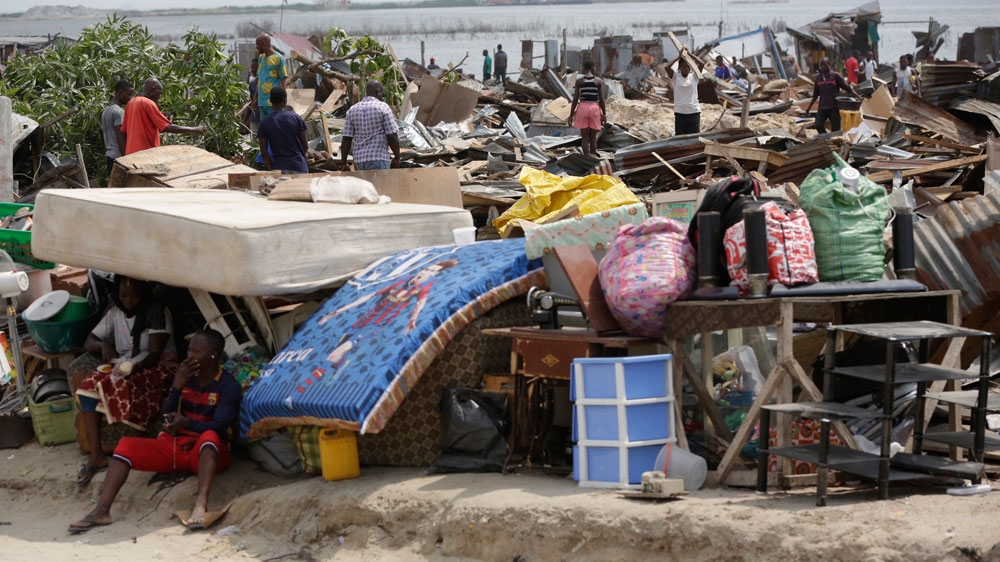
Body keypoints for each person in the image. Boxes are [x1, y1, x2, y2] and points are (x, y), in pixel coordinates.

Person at [68, 330, 240, 533]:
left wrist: (187, 423)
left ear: (213, 354)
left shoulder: (228, 385)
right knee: (125, 446)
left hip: (210, 453)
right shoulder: (186, 377)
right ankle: (101, 510)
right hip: (179, 446)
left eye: (196, 352)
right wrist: (176, 386)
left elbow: (219, 427)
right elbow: (166, 413)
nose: (189, 357)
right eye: (189, 350)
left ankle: (200, 505)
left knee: (209, 437)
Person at [73, 275, 178, 486]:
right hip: (123, 365)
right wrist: (103, 346)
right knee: (88, 385)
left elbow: (154, 354)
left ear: (144, 295)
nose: (129, 300)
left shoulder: (157, 312)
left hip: (156, 366)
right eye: (124, 295)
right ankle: (96, 454)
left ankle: (137, 452)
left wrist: (131, 368)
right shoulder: (114, 313)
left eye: (134, 296)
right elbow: (89, 341)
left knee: (126, 387)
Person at [121, 78, 206, 155]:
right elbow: (168, 127)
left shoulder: (131, 103)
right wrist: (195, 129)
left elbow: (124, 131)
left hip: (131, 155)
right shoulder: (148, 103)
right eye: (160, 93)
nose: (159, 97)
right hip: (146, 154)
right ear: (152, 90)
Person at [340, 80, 400, 171]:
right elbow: (392, 136)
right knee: (380, 185)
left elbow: (346, 139)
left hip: (359, 161)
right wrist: (397, 157)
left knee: (364, 186)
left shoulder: (353, 110)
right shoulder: (383, 108)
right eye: (382, 94)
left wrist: (343, 163)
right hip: (379, 158)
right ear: (378, 91)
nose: (382, 97)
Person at [257, 86, 308, 174]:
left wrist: (272, 168)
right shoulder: (296, 118)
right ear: (285, 101)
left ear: (271, 101)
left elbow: (264, 152)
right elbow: (305, 145)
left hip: (280, 168)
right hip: (299, 167)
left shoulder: (264, 123)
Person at [805, 57, 858, 134]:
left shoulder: (835, 76)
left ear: (829, 65)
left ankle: (833, 143)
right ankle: (826, 137)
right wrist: (808, 108)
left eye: (825, 65)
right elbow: (815, 95)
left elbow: (847, 87)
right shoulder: (818, 79)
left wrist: (858, 96)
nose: (823, 67)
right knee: (818, 125)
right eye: (821, 65)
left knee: (835, 130)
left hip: (834, 107)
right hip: (822, 107)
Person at [568, 61, 606, 157]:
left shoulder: (579, 81)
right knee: (593, 137)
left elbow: (575, 99)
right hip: (594, 108)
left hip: (582, 108)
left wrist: (571, 115)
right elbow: (601, 100)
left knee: (584, 138)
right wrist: (604, 115)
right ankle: (592, 159)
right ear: (593, 69)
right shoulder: (598, 81)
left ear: (584, 69)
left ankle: (586, 159)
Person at [664, 50, 704, 136]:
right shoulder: (675, 77)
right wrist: (679, 57)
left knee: (694, 139)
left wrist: (690, 55)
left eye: (687, 67)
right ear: (679, 68)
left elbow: (702, 64)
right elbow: (667, 67)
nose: (686, 69)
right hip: (680, 113)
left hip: (693, 112)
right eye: (683, 67)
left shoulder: (694, 77)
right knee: (680, 139)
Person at [101, 79, 133, 177]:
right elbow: (120, 137)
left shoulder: (107, 110)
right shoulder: (119, 112)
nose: (130, 98)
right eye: (129, 94)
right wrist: (126, 159)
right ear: (120, 92)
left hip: (110, 155)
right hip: (118, 157)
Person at [256, 34, 288, 119]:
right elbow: (259, 79)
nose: (257, 48)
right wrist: (255, 98)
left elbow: (283, 80)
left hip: (273, 102)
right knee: (264, 127)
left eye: (258, 45)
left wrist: (283, 99)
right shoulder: (261, 58)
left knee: (274, 126)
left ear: (264, 44)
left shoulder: (279, 58)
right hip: (261, 102)